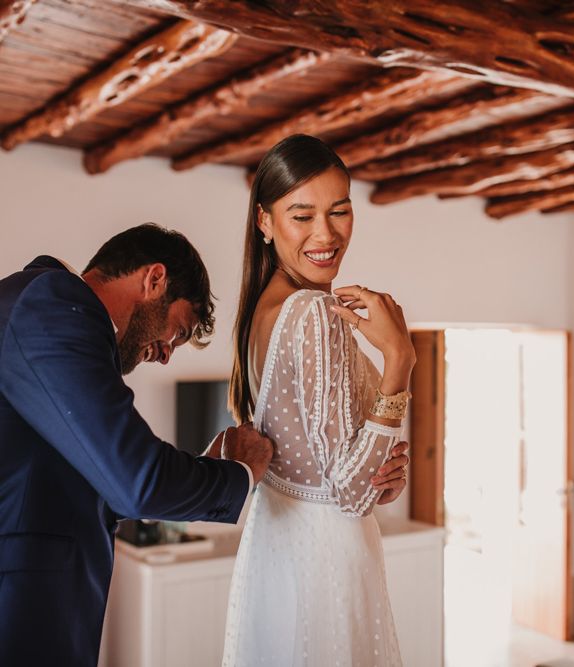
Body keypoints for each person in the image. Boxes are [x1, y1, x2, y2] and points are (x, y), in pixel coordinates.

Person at [0, 224, 274, 667]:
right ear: (154, 280)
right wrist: (240, 471)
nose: (165, 354)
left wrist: (193, 469)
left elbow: (100, 479)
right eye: (177, 332)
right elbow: (137, 482)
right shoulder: (54, 307)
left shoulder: (45, 310)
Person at [222, 135, 416, 666]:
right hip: (326, 566)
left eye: (340, 211)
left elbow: (330, 467)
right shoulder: (311, 313)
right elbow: (350, 495)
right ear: (265, 221)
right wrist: (399, 357)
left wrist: (381, 471)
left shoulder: (262, 311)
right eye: (301, 215)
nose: (325, 234)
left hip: (279, 552)